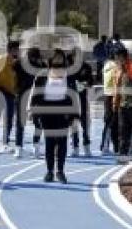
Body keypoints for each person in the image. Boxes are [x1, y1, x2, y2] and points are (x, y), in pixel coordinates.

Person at [30, 49, 79, 183]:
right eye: (55, 58)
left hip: (63, 112)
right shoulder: (42, 74)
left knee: (62, 142)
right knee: (50, 143)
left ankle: (60, 171)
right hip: (47, 111)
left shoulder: (68, 75)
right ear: (51, 59)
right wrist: (34, 112)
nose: (58, 60)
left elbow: (74, 95)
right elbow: (35, 94)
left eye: (60, 58)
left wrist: (75, 115)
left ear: (63, 59)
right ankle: (49, 171)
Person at [14, 46, 45, 158]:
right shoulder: (20, 64)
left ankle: (33, 146)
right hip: (24, 95)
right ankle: (20, 147)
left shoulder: (40, 65)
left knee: (37, 122)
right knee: (22, 122)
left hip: (36, 97)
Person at [112, 48, 132, 165]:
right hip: (122, 105)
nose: (116, 60)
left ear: (123, 57)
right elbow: (117, 88)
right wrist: (115, 103)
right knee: (123, 131)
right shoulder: (118, 70)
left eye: (117, 57)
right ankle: (123, 155)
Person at [69, 50, 95, 157]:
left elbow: (91, 82)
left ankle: (87, 146)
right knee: (74, 125)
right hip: (72, 101)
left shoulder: (87, 67)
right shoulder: (69, 68)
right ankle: (75, 147)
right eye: (76, 56)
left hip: (83, 100)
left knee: (85, 124)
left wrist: (85, 84)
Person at [99, 52, 119, 155]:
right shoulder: (115, 67)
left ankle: (104, 146)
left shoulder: (106, 66)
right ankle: (109, 147)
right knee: (113, 123)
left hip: (107, 94)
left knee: (108, 123)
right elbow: (117, 81)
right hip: (113, 96)